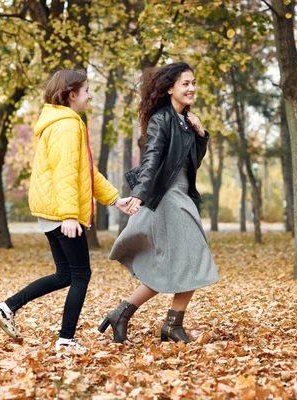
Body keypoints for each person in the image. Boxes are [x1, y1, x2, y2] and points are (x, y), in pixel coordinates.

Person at [0, 70, 131, 351]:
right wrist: (69, 215)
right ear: (71, 94)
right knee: (81, 275)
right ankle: (66, 340)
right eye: (87, 90)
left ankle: (7, 307)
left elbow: (85, 172)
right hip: (61, 213)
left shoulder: (61, 123)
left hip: (51, 212)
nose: (91, 95)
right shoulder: (66, 126)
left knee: (65, 275)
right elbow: (65, 174)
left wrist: (115, 200)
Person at [99, 62, 220, 344]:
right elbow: (151, 159)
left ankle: (125, 313)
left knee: (177, 264)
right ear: (169, 89)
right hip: (166, 198)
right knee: (194, 257)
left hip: (182, 196)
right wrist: (139, 194)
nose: (191, 88)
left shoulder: (186, 121)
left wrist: (200, 136)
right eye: (185, 84)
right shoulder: (161, 119)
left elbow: (191, 164)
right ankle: (170, 325)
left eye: (193, 83)